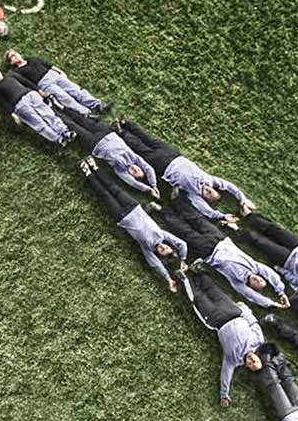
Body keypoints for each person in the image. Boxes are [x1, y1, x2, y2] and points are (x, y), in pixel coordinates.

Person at [113, 118, 255, 224]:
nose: (209, 191)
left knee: (141, 149)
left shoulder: (194, 195)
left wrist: (222, 216)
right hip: (174, 154)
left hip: (163, 166)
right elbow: (230, 186)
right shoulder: (210, 180)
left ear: (205, 198)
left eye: (209, 195)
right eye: (213, 191)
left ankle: (120, 132)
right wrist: (243, 199)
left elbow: (206, 211)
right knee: (149, 139)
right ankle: (127, 123)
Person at [152, 202, 288, 310]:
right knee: (198, 219)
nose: (258, 279)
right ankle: (177, 200)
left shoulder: (238, 282)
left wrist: (272, 303)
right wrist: (281, 292)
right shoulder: (254, 267)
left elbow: (253, 297)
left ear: (251, 287)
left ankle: (161, 210)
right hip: (220, 238)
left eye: (257, 283)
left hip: (208, 251)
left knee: (184, 230)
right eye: (261, 279)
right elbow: (270, 274)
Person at [79, 158, 186, 291]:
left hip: (122, 216)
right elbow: (181, 243)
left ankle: (88, 173)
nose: (163, 247)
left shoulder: (148, 248)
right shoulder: (161, 235)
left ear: (160, 255)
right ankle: (95, 167)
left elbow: (156, 264)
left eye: (163, 251)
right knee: (113, 187)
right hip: (133, 206)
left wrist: (168, 279)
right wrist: (183, 259)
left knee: (105, 194)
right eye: (167, 247)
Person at [179, 269, 264, 406]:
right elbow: (253, 322)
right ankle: (197, 272)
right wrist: (245, 310)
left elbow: (226, 375)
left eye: (250, 364)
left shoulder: (233, 360)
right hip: (233, 312)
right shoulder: (258, 340)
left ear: (246, 365)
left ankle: (185, 278)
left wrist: (224, 395)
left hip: (217, 320)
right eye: (256, 361)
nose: (252, 361)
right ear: (258, 357)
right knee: (213, 290)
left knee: (199, 298)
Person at [58, 108, 157, 196]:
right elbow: (149, 169)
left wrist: (149, 189)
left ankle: (55, 112)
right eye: (138, 170)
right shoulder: (134, 158)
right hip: (107, 133)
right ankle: (61, 106)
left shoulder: (121, 170)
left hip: (95, 144)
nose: (135, 169)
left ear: (131, 176)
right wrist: (154, 185)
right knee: (81, 119)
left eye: (134, 173)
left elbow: (133, 183)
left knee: (74, 126)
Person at [4, 50, 110, 116]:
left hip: (53, 74)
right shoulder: (18, 72)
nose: (15, 56)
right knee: (66, 99)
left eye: (15, 53)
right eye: (12, 57)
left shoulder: (31, 59)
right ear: (11, 62)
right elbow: (27, 83)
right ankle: (86, 113)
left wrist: (59, 70)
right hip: (44, 84)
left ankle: (97, 105)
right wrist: (39, 91)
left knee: (76, 90)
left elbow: (46, 64)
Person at [0, 66, 72, 145]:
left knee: (48, 113)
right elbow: (3, 102)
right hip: (19, 105)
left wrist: (38, 90)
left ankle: (64, 131)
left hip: (30, 95)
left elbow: (25, 82)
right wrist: (12, 113)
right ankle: (57, 138)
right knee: (38, 122)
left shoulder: (11, 75)